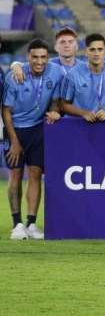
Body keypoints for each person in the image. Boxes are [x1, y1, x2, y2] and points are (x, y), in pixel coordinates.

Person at [2, 39, 63, 240]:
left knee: (35, 175)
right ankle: (17, 223)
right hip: (15, 129)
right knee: (16, 174)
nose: (39, 61)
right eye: (35, 57)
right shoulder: (15, 75)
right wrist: (15, 141)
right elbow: (6, 111)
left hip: (38, 128)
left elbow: (55, 100)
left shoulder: (55, 72)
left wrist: (54, 112)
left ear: (48, 57)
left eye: (43, 57)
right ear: (27, 57)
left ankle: (31, 224)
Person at [60, 34, 105, 122]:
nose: (96, 53)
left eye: (100, 49)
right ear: (85, 52)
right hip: (78, 124)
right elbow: (63, 105)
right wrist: (84, 113)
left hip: (104, 123)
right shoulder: (73, 74)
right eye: (92, 50)